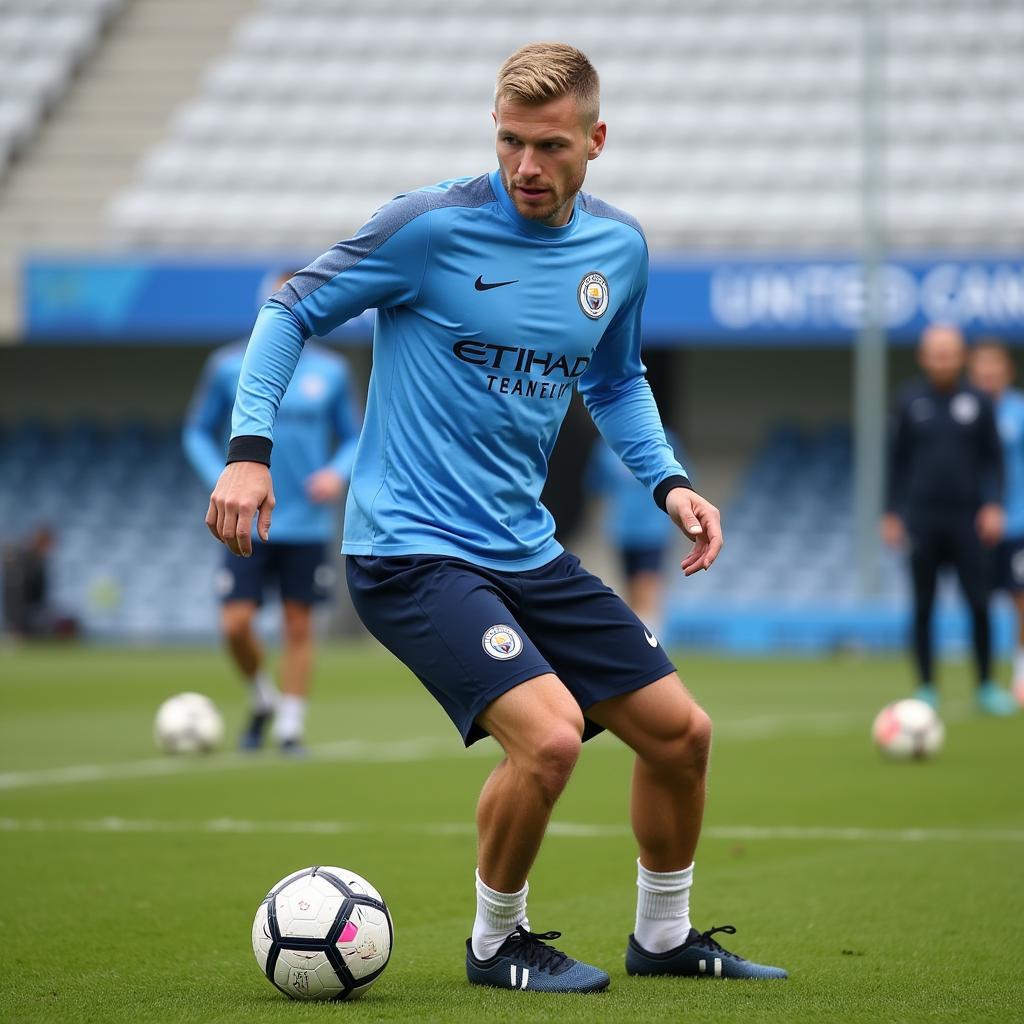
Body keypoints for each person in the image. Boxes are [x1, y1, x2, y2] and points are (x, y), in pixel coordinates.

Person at [206, 43, 786, 990]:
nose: (526, 166)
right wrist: (248, 453)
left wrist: (669, 483)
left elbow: (616, 377)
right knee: (552, 736)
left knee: (682, 735)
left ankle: (667, 938)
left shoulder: (619, 251)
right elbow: (289, 310)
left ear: (596, 141)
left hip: (526, 548)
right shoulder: (428, 228)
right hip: (411, 552)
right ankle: (496, 942)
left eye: (551, 146)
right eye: (511, 141)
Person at [184, 271, 361, 752]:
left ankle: (290, 726)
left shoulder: (330, 372)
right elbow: (196, 432)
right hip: (245, 515)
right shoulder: (227, 365)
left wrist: (335, 473)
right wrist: (220, 477)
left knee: (299, 624)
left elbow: (353, 435)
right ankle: (263, 696)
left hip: (304, 521)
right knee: (235, 623)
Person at [881, 324, 1015, 715]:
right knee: (923, 605)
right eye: (935, 351)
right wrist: (891, 511)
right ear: (923, 357)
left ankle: (987, 685)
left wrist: (994, 504)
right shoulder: (909, 400)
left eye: (949, 351)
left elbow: (995, 460)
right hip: (922, 518)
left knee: (978, 603)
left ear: (961, 357)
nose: (942, 358)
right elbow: (897, 462)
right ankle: (926, 686)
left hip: (969, 519)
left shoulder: (979, 401)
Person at [585, 428, 684, 635]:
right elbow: (597, 486)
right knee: (631, 590)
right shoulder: (604, 446)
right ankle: (642, 641)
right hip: (622, 530)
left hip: (653, 528)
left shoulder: (663, 438)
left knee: (647, 587)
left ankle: (653, 647)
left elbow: (681, 479)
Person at [968, 337, 1024, 704]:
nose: (989, 373)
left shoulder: (1019, 410)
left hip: (1019, 522)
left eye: (995, 365)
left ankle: (1021, 673)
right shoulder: (963, 410)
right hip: (972, 524)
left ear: (1008, 370)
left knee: (1021, 598)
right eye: (981, 366)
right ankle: (985, 681)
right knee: (978, 601)